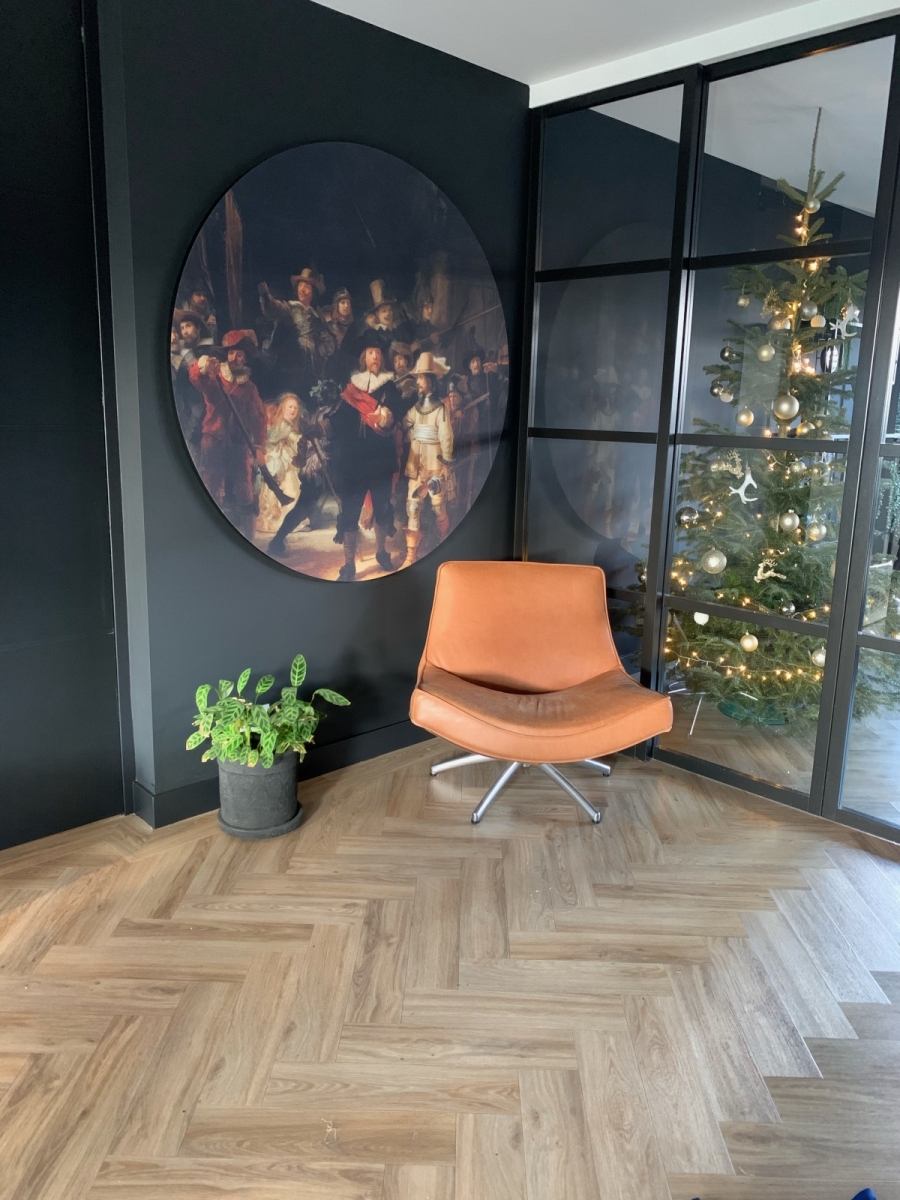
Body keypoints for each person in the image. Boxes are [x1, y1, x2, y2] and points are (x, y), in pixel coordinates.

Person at [329, 337, 403, 580]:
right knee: (350, 512)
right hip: (354, 462)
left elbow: (394, 413)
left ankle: (381, 552)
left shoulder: (389, 386)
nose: (376, 357)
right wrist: (322, 426)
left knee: (382, 508)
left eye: (379, 353)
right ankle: (349, 564)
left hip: (380, 460)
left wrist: (384, 417)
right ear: (363, 357)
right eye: (371, 352)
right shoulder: (352, 388)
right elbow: (338, 418)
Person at [189, 329, 267, 537]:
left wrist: (259, 447)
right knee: (210, 487)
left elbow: (259, 419)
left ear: (245, 359)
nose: (234, 358)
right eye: (231, 353)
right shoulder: (215, 378)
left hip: (238, 445)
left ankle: (249, 539)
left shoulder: (249, 388)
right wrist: (203, 366)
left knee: (244, 490)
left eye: (239, 354)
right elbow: (197, 379)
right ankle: (205, 536)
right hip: (213, 442)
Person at [401, 352, 454, 567]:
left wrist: (446, 463)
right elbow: (405, 424)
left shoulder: (440, 409)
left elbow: (446, 437)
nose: (418, 382)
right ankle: (410, 556)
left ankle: (442, 547)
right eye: (417, 378)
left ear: (430, 380)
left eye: (421, 378)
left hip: (435, 465)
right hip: (416, 465)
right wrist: (413, 433)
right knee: (413, 507)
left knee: (438, 507)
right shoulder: (414, 410)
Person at [258, 267, 335, 393]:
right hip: (292, 366)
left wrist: (319, 351)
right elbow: (274, 309)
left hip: (312, 369)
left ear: (313, 292)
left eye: (307, 286)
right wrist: (266, 296)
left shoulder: (316, 315)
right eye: (300, 285)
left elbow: (328, 339)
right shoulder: (290, 308)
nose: (302, 289)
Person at [257, 393, 302, 534]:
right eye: (290, 407)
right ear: (282, 407)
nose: (293, 410)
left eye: (295, 408)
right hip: (276, 461)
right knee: (285, 488)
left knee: (292, 486)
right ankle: (278, 520)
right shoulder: (280, 424)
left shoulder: (289, 425)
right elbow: (291, 440)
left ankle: (289, 520)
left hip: (286, 461)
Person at [172, 309, 213, 455]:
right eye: (182, 328)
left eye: (188, 326)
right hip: (192, 413)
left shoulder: (210, 351)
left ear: (198, 328)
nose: (185, 332)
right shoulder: (184, 356)